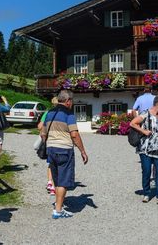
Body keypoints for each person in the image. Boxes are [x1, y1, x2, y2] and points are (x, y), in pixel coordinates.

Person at [40, 89, 89, 219]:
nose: (72, 103)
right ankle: (58, 210)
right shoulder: (69, 114)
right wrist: (82, 151)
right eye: (71, 101)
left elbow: (42, 133)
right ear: (68, 101)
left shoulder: (50, 113)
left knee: (56, 179)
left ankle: (58, 204)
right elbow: (74, 134)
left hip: (51, 149)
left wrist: (48, 143)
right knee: (64, 180)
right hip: (64, 149)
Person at [129, 96, 158, 204]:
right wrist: (143, 131)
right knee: (146, 172)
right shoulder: (145, 114)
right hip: (145, 149)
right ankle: (146, 193)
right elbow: (132, 123)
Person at [37, 97, 59, 195]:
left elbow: (39, 127)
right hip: (59, 140)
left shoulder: (47, 113)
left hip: (49, 141)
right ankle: (55, 186)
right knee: (58, 164)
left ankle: (50, 182)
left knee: (51, 162)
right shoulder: (63, 113)